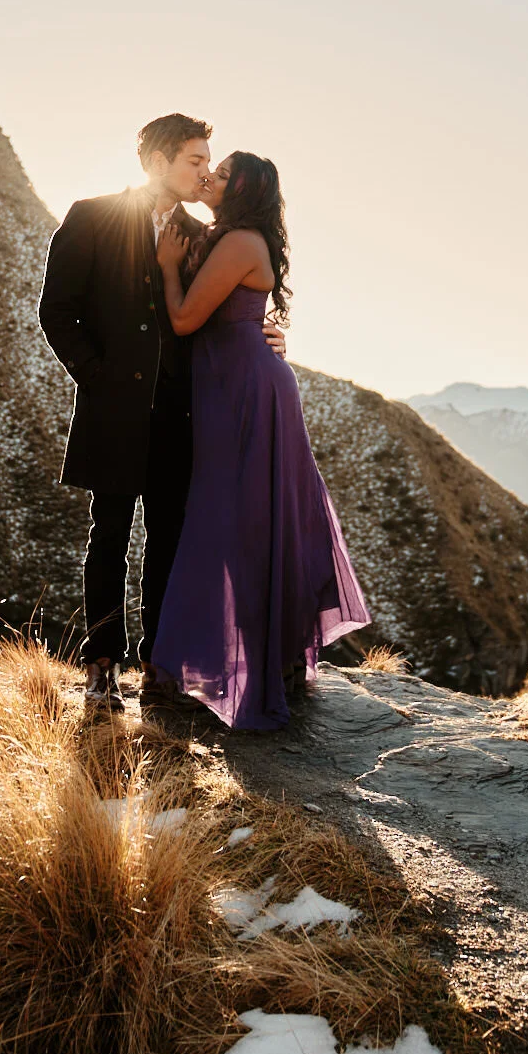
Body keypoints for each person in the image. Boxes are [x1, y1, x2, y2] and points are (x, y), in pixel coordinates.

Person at [38, 115, 286, 710]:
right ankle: (101, 668)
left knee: (169, 539)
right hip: (113, 412)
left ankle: (159, 665)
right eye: (196, 161)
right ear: (158, 161)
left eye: (209, 162)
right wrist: (97, 379)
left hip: (182, 414)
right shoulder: (92, 215)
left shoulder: (203, 235)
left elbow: (222, 312)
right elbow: (57, 310)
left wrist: (266, 336)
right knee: (109, 536)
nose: (205, 171)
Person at [149, 152, 372, 729]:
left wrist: (170, 266)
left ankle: (254, 668)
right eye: (209, 168)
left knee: (240, 522)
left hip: (246, 393)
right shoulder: (226, 236)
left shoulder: (241, 242)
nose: (209, 178)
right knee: (241, 521)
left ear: (243, 192)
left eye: (221, 175)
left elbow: (183, 320)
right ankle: (258, 662)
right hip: (232, 387)